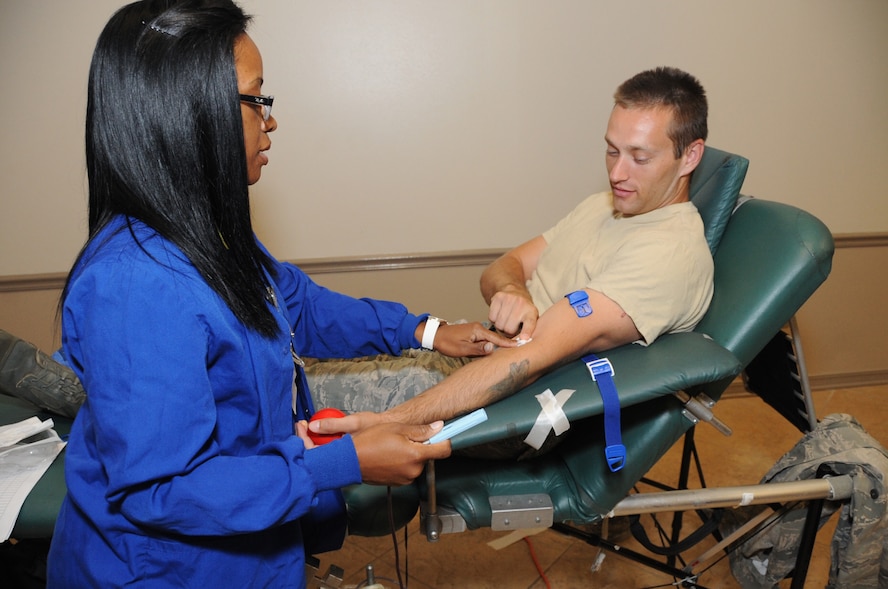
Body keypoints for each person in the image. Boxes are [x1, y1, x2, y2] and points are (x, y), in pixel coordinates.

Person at [44, 1, 512, 587]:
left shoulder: (206, 231)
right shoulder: (135, 283)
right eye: (256, 99)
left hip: (252, 551)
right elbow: (162, 490)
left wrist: (427, 331)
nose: (271, 121)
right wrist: (344, 462)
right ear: (191, 113)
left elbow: (296, 304)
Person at [307, 66, 714, 452]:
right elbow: (502, 268)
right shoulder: (606, 206)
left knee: (290, 390)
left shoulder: (668, 254)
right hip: (489, 364)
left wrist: (392, 421)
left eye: (639, 158)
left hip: (517, 410)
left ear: (690, 156)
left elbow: (527, 361)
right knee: (297, 362)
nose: (617, 173)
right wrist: (512, 291)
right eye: (611, 151)